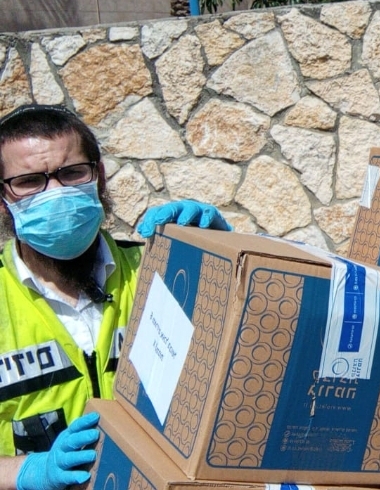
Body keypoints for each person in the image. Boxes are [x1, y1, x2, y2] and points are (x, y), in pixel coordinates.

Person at [0, 104, 230, 490]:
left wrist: (223, 261)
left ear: (99, 177)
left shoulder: (158, 270)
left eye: (72, 173)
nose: (56, 193)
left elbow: (249, 347)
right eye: (29, 181)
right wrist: (27, 471)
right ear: (3, 198)